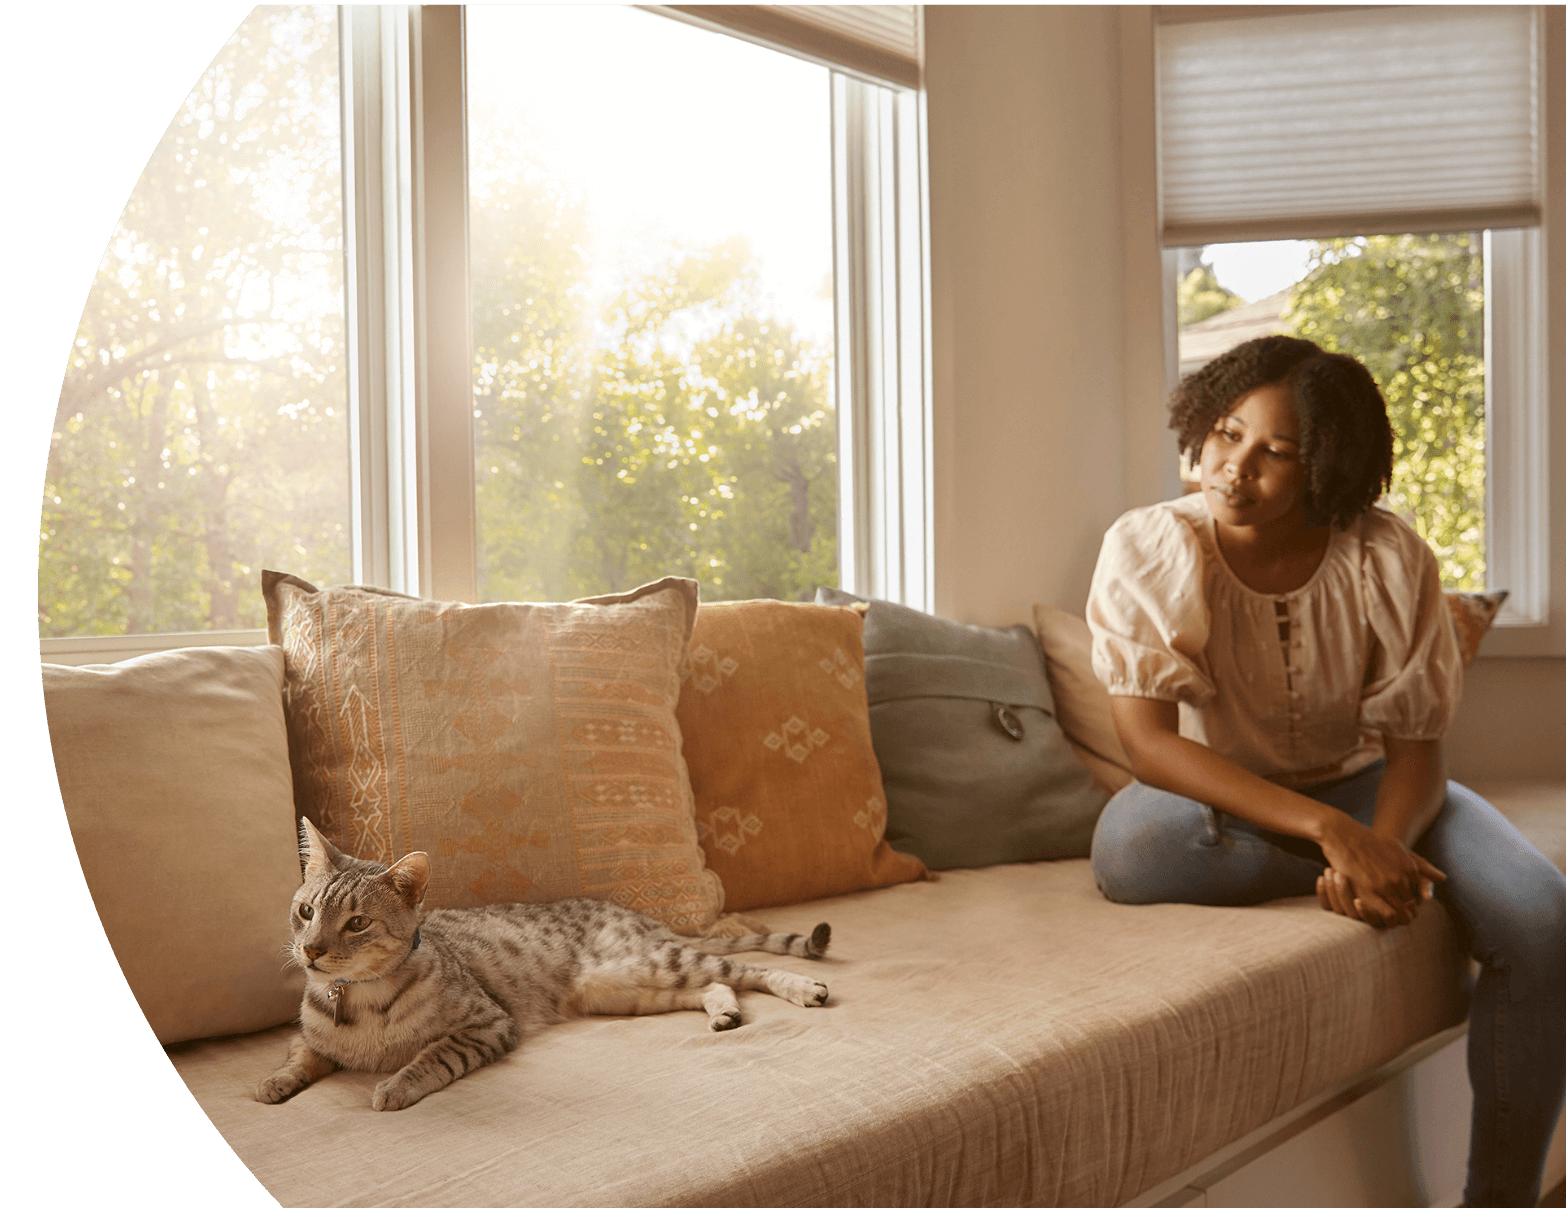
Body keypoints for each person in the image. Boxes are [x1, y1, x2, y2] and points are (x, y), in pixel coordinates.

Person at [1086, 334, 1565, 1208]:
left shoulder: (1390, 558)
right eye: (1227, 435)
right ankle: (1358, 864)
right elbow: (1148, 748)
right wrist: (1333, 837)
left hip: (1372, 785)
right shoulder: (1153, 544)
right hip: (1231, 801)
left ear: (1328, 466)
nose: (1235, 469)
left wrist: (1382, 838)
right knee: (1134, 845)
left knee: (1543, 916)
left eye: (1277, 452)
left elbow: (1418, 754)